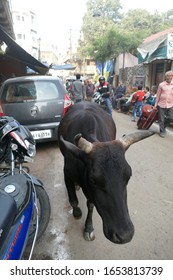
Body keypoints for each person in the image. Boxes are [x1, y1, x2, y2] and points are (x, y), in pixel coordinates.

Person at [154, 70, 173, 138]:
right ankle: (162, 131)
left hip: (170, 104)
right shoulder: (161, 84)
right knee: (161, 119)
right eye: (168, 75)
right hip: (161, 104)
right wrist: (155, 104)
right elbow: (158, 95)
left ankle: (163, 126)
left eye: (170, 75)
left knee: (171, 118)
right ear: (165, 77)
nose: (169, 77)